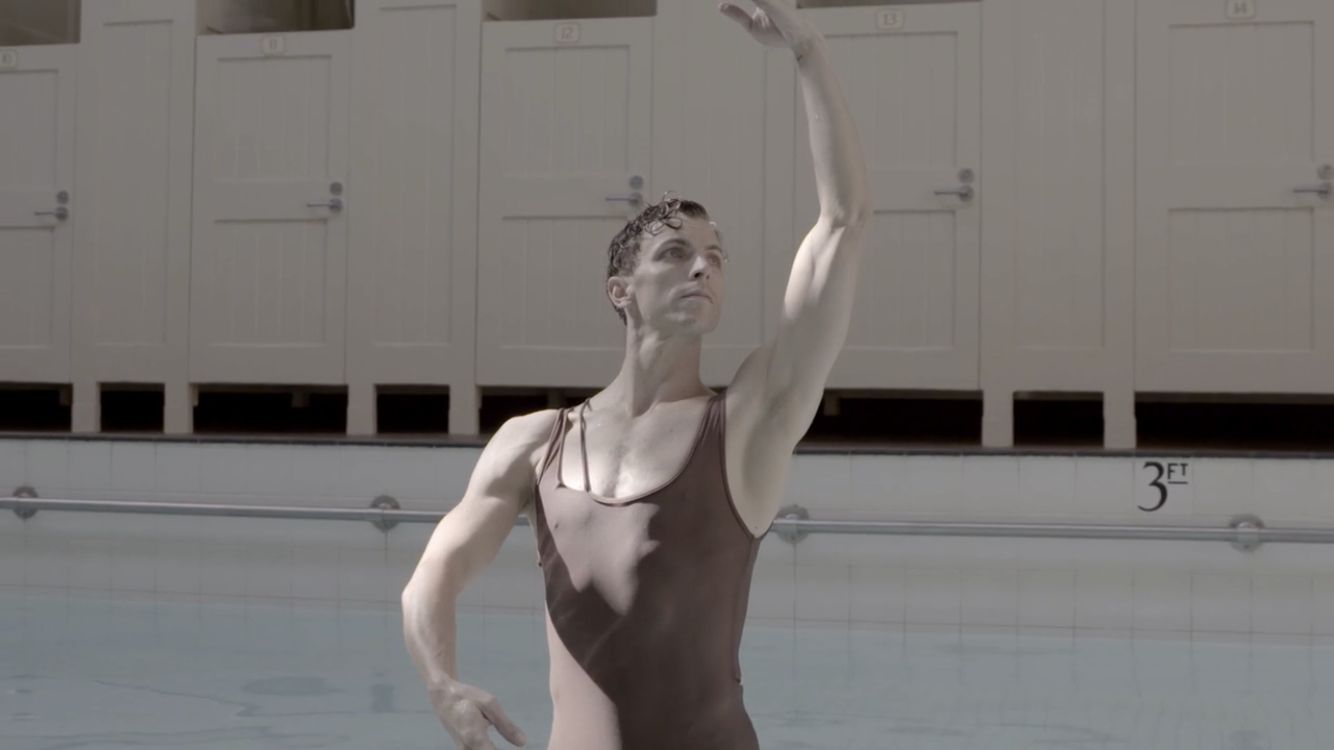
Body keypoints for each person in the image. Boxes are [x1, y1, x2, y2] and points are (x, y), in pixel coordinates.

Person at [401, 1, 870, 747]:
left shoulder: (748, 423)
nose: (703, 266)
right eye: (675, 252)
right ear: (620, 290)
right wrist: (441, 681)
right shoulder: (533, 445)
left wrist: (808, 50)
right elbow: (434, 573)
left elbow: (842, 220)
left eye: (716, 256)